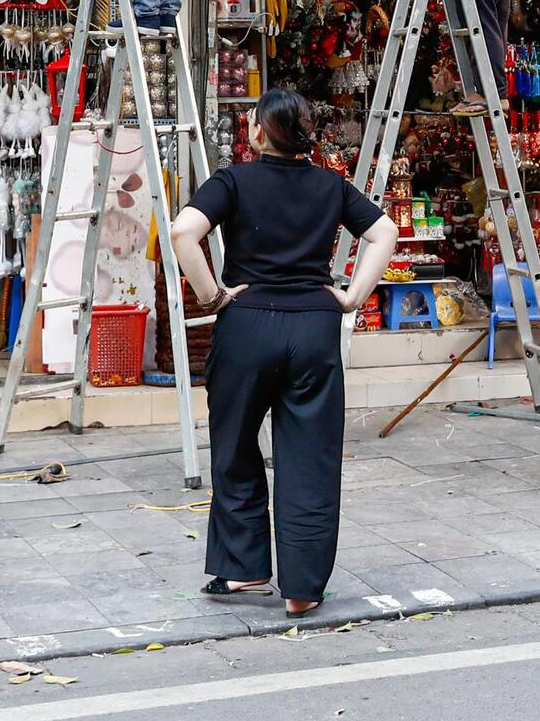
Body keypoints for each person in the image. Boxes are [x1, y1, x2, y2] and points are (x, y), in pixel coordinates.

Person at [170, 89, 398, 618]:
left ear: (256, 132)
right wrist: (352, 297)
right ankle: (302, 588)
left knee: (235, 447)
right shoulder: (330, 185)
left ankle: (244, 569)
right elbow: (384, 233)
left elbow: (183, 232)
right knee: (310, 458)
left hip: (247, 325)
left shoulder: (233, 181)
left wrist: (212, 296)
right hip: (314, 327)